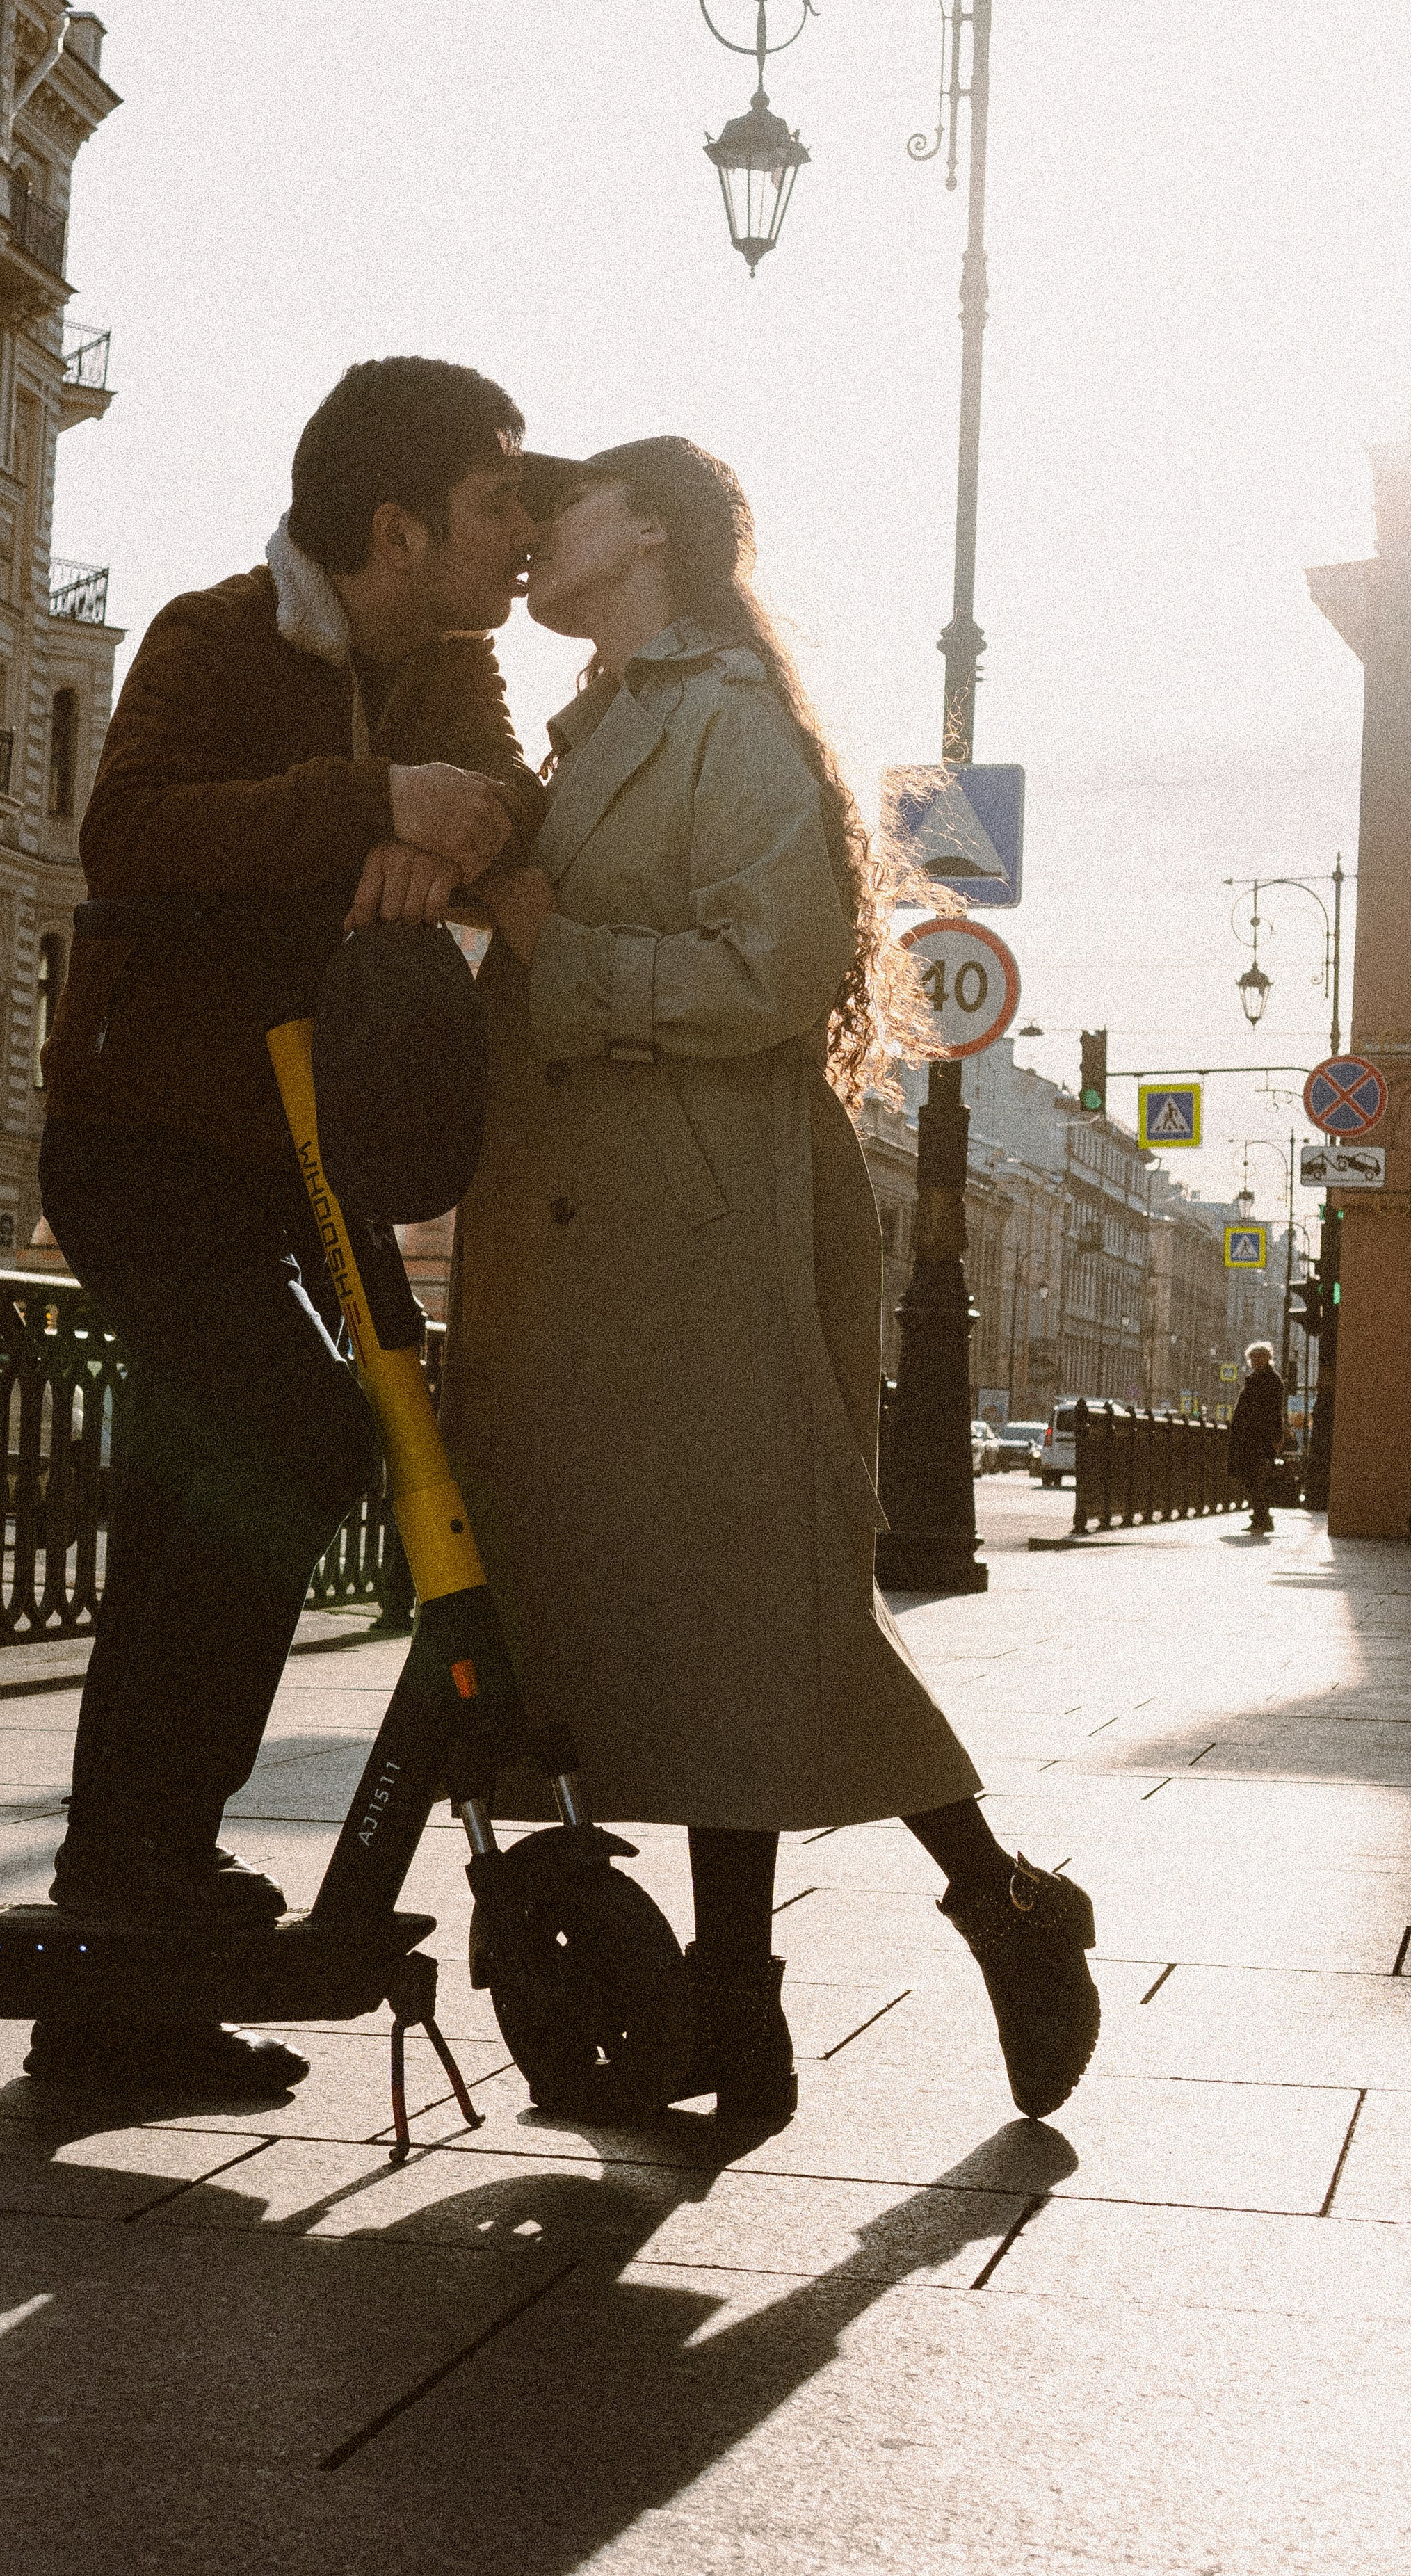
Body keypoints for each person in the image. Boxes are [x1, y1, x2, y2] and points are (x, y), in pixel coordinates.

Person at [448, 437, 1101, 2127]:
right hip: (604, 1239)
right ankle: (767, 2004)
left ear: (647, 526)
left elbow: (776, 964)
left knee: (754, 1613)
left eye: (558, 506)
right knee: (679, 1633)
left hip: (706, 1223)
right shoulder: (598, 716)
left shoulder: (720, 714)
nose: (528, 535)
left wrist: (544, 942)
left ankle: (976, 1918)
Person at [32, 358, 549, 2093]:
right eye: (499, 498)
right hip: (138, 1144)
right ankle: (142, 1871)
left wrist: (438, 829)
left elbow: (504, 808)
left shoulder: (453, 668)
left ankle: (115, 1989)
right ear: (395, 526)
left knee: (184, 1502)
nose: (526, 528)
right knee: (288, 1429)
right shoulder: (211, 634)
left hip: (286, 1159)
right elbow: (134, 827)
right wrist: (372, 809)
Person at [1228, 1340, 1287, 1532]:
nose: (1253, 1361)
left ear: (1267, 1358)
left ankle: (1263, 1518)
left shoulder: (1270, 1380)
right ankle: (1260, 1517)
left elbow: (1274, 1412)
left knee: (1254, 1478)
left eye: (1257, 1358)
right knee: (1251, 1478)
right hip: (1249, 1438)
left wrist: (1276, 1437)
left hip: (1258, 1438)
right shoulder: (1260, 1378)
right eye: (1251, 1358)